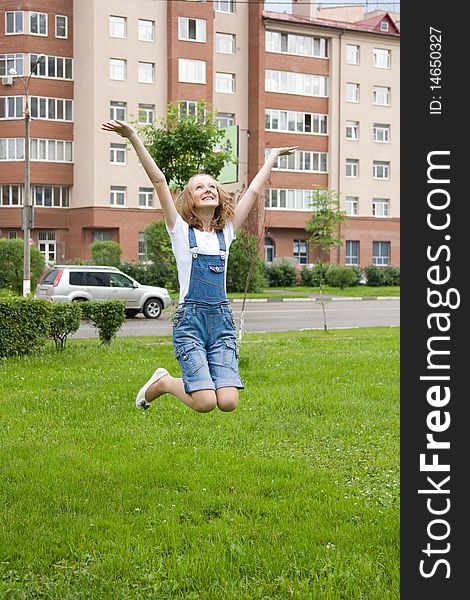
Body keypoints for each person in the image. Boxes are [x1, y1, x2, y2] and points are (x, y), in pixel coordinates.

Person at [101, 119, 297, 414]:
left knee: (228, 402)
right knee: (205, 403)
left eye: (211, 186)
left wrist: (271, 156)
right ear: (189, 200)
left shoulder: (226, 233)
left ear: (219, 196)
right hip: (190, 323)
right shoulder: (180, 231)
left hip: (221, 323)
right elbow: (159, 181)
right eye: (198, 187)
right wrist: (132, 137)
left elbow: (254, 193)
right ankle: (164, 383)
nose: (207, 189)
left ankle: (177, 382)